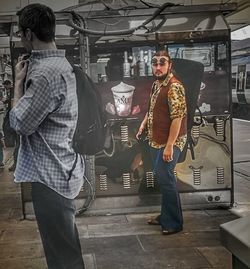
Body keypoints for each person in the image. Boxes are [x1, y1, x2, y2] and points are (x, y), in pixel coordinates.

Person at [10, 4, 85, 268]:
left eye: (20, 34)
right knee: (66, 247)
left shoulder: (44, 73)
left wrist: (18, 84)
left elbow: (19, 123)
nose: (21, 39)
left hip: (50, 176)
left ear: (29, 34)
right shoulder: (60, 63)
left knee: (62, 257)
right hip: (62, 168)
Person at [136, 50, 187, 235]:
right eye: (155, 63)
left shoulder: (174, 87)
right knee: (164, 179)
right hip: (156, 140)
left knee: (166, 181)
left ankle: (174, 222)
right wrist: (143, 125)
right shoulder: (157, 84)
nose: (158, 67)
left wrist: (170, 146)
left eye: (162, 63)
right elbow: (151, 110)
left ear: (170, 65)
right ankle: (166, 215)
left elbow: (177, 118)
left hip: (170, 142)